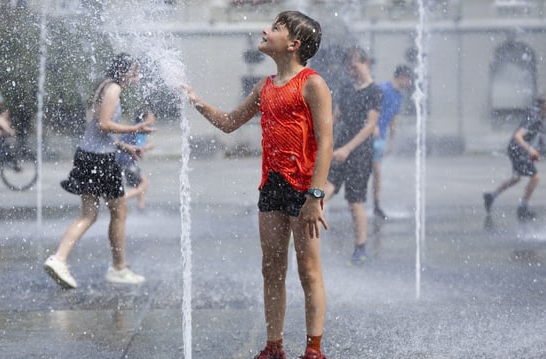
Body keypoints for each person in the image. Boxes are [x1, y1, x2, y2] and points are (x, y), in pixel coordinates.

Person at [186, 11, 332, 359]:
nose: (266, 30)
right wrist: (197, 101)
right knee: (271, 267)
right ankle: (274, 345)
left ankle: (314, 348)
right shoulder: (263, 86)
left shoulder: (312, 83)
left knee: (308, 269)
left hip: (303, 189)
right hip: (272, 186)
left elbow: (325, 142)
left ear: (293, 44)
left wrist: (315, 195)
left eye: (276, 28)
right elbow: (229, 123)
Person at [44, 53, 155, 289]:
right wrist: (135, 127)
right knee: (117, 212)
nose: (136, 78)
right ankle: (118, 268)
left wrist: (125, 146)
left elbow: (98, 130)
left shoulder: (105, 86)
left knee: (92, 214)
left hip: (90, 154)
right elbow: (104, 124)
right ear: (124, 72)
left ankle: (60, 259)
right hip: (100, 160)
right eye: (134, 73)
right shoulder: (113, 89)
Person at [323, 46, 382, 266]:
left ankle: (360, 248)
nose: (351, 72)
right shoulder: (346, 89)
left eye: (355, 67)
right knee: (324, 188)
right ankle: (306, 235)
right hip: (339, 146)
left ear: (365, 63)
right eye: (349, 68)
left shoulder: (375, 91)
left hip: (359, 150)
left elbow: (370, 126)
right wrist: (321, 134)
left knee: (354, 201)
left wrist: (348, 149)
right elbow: (336, 116)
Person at [483, 94, 546, 221]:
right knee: (536, 177)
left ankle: (491, 196)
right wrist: (530, 149)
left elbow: (533, 136)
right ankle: (522, 208)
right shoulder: (533, 116)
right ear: (543, 105)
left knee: (516, 178)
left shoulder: (539, 116)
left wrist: (533, 150)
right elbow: (518, 136)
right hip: (517, 149)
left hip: (516, 149)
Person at [371, 65, 413, 220]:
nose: (409, 84)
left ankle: (376, 204)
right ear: (402, 76)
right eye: (408, 79)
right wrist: (373, 125)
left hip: (381, 138)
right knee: (367, 170)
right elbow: (370, 108)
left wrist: (391, 141)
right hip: (369, 135)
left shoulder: (399, 96)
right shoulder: (382, 89)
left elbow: (393, 119)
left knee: (377, 172)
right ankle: (357, 202)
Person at [116, 107, 155, 209]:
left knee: (141, 184)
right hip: (126, 161)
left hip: (121, 159)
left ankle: (141, 208)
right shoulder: (141, 129)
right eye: (152, 116)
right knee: (144, 184)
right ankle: (121, 199)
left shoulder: (133, 127)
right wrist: (148, 147)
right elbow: (138, 149)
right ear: (145, 118)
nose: (154, 118)